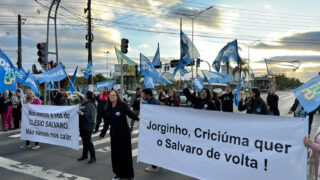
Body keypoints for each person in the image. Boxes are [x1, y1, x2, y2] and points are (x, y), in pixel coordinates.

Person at [99, 90, 138, 180]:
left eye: (114, 95)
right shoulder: (107, 108)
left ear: (117, 96)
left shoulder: (122, 105)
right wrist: (102, 133)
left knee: (126, 154)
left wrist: (139, 118)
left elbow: (131, 114)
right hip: (114, 134)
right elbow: (106, 123)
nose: (111, 97)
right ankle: (118, 173)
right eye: (110, 95)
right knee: (116, 154)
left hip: (124, 133)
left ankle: (129, 175)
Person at [142, 88, 162, 173]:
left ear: (148, 95)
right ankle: (156, 164)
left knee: (153, 147)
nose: (143, 96)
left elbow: (156, 116)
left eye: (144, 94)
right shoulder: (148, 102)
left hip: (154, 129)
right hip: (149, 128)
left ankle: (154, 166)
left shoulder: (155, 102)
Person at [77, 91, 96, 164]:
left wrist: (81, 113)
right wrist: (79, 95)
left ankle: (93, 157)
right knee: (84, 141)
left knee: (88, 141)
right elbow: (81, 99)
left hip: (88, 126)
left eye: (84, 95)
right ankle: (85, 155)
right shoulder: (85, 103)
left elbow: (90, 117)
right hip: (83, 125)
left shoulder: (90, 105)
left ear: (87, 97)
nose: (83, 96)